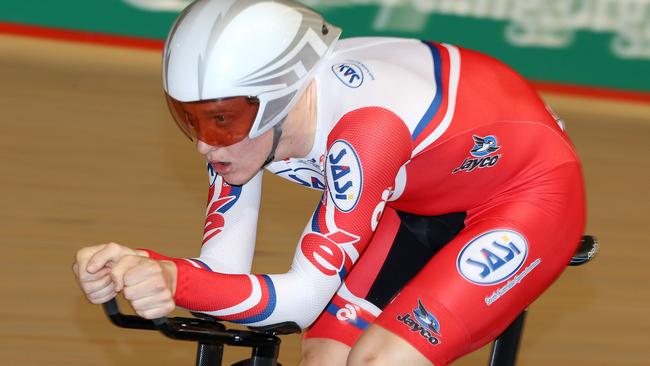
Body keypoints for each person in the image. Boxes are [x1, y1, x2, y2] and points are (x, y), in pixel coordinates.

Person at [72, 0, 586, 365]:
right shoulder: (247, 129)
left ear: (275, 100)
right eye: (191, 119)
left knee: (381, 361)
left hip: (526, 194)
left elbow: (300, 301)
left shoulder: (367, 131)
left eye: (219, 120)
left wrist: (173, 280)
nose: (206, 144)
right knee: (322, 358)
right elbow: (222, 273)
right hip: (419, 199)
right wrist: (137, 269)